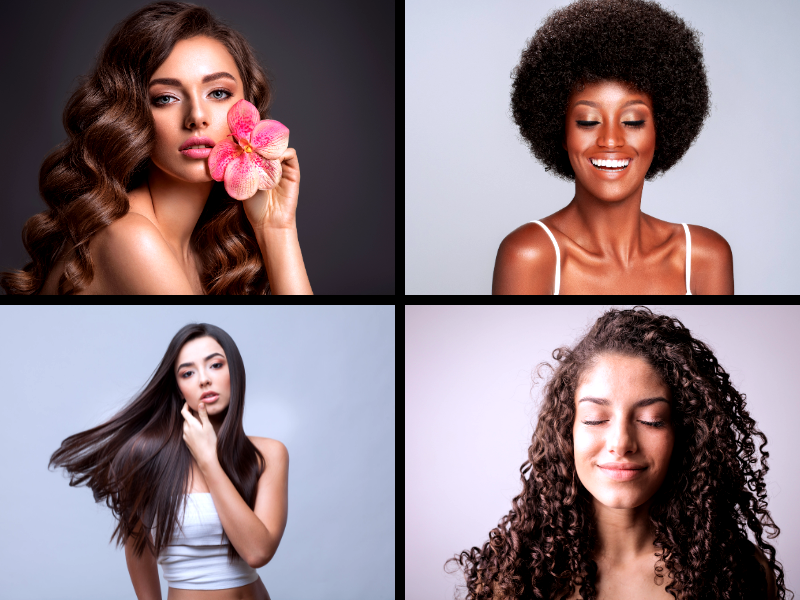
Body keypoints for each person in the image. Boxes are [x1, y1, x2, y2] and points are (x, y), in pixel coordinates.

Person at [446, 306, 784, 600]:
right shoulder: (513, 577)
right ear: (567, 432)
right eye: (596, 418)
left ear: (685, 434)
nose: (621, 442)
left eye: (651, 421)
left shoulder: (739, 574)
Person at [1, 1, 311, 295]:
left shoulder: (203, 250)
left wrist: (276, 227)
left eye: (217, 93)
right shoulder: (132, 239)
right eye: (165, 98)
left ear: (248, 108)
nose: (197, 117)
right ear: (131, 115)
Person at [493, 0, 733, 295]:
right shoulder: (530, 255)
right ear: (561, 131)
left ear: (663, 130)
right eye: (588, 121)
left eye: (632, 121)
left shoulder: (705, 256)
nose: (610, 140)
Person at [49, 323, 288, 600]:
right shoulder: (147, 454)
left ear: (235, 372)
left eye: (215, 365)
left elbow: (257, 551)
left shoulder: (268, 454)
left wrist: (209, 460)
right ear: (178, 389)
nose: (203, 380)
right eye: (188, 372)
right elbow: (138, 550)